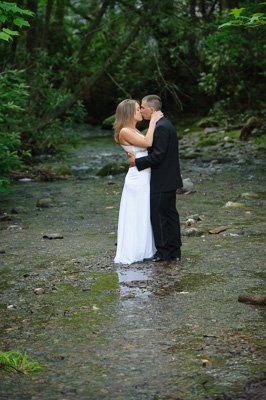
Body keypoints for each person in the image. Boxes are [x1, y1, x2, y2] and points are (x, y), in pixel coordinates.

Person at [128, 95, 183, 262]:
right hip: (169, 178)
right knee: (170, 215)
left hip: (162, 179)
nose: (141, 111)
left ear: (152, 110)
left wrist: (136, 162)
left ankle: (163, 253)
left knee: (159, 216)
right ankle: (174, 252)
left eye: (143, 108)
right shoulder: (165, 124)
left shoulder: (160, 127)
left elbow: (158, 156)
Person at [114, 99, 163, 264]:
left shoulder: (134, 130)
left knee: (145, 213)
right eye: (137, 109)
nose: (140, 111)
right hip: (137, 178)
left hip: (145, 174)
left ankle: (147, 249)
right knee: (137, 213)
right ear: (128, 113)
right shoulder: (125, 131)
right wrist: (154, 121)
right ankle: (136, 251)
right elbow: (148, 143)